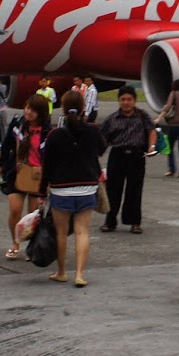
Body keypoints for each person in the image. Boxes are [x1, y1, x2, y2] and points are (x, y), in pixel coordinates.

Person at [41, 89, 107, 286]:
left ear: (63, 108)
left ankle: (62, 272)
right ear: (83, 108)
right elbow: (102, 149)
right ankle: (79, 274)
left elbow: (47, 165)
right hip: (87, 187)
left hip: (61, 189)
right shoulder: (93, 130)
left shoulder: (55, 135)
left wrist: (42, 190)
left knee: (61, 233)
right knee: (82, 231)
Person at [100, 86, 158, 234]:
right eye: (123, 99)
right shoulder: (112, 119)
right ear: (118, 101)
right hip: (117, 155)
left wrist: (151, 146)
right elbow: (102, 138)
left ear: (135, 100)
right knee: (113, 189)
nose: (126, 102)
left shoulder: (142, 116)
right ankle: (110, 222)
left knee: (135, 189)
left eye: (129, 99)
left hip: (136, 156)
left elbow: (151, 130)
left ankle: (135, 222)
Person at [2, 94, 50, 260]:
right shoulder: (18, 124)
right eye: (27, 107)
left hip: (37, 175)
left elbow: (50, 156)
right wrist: (1, 165)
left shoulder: (47, 132)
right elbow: (7, 144)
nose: (28, 112)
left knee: (33, 214)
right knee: (15, 209)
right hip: (17, 172)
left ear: (41, 113)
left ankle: (32, 245)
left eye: (33, 110)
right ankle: (15, 242)